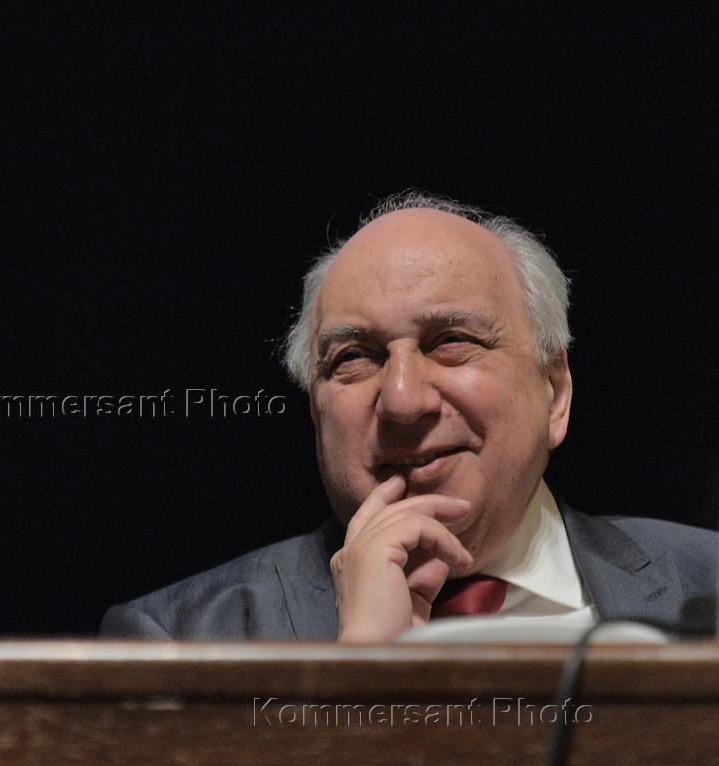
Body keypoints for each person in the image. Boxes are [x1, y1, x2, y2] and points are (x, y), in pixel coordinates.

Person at [102, 191, 716, 642]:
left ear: (555, 393)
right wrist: (365, 675)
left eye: (451, 342)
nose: (401, 400)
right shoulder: (177, 639)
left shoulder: (706, 588)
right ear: (315, 413)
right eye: (354, 357)